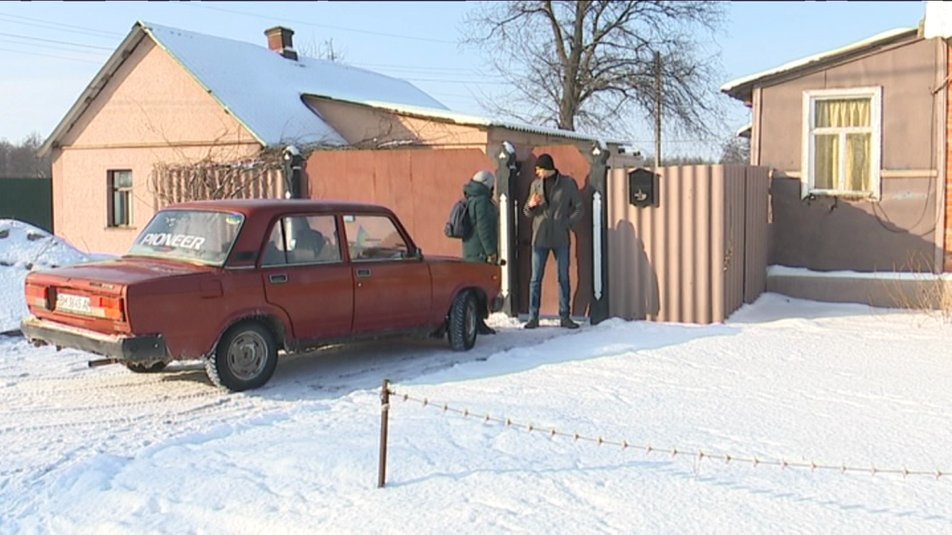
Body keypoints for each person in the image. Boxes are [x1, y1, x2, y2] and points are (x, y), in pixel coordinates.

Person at [522, 153, 582, 329]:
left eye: (539, 168)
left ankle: (565, 316)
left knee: (563, 277)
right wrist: (531, 205)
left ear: (548, 169)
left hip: (561, 237)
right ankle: (533, 317)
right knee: (535, 278)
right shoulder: (535, 185)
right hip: (539, 238)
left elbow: (579, 208)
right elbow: (527, 212)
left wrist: (567, 223)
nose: (536, 171)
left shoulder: (567, 184)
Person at [462, 169, 499, 335]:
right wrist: (491, 251)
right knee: (480, 286)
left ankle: (478, 320)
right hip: (479, 251)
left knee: (476, 286)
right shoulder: (482, 201)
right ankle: (477, 321)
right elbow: (483, 228)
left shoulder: (473, 198)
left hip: (472, 249)